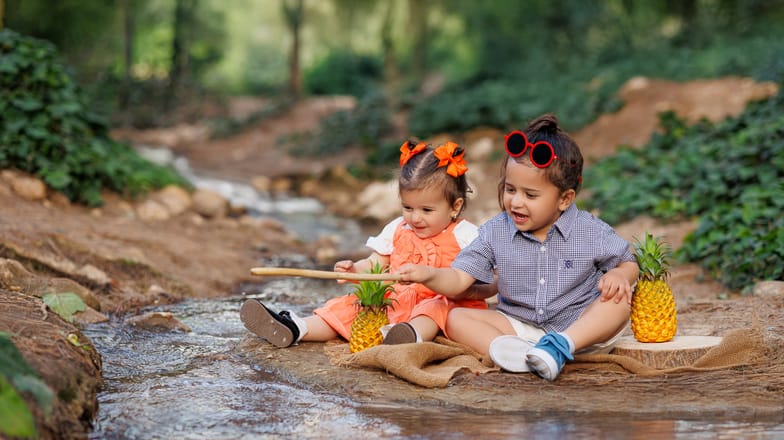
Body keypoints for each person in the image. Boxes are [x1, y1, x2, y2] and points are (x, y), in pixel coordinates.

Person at [396, 114, 639, 381]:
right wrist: (428, 274)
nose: (516, 202)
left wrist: (619, 275)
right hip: (519, 325)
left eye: (530, 195)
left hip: (581, 327)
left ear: (564, 199)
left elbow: (628, 262)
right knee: (454, 318)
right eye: (510, 190)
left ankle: (559, 347)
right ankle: (520, 355)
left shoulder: (588, 230)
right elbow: (458, 279)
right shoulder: (495, 231)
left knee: (618, 303)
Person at [240, 139, 492, 348]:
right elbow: (376, 265)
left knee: (434, 307)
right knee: (350, 305)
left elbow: (475, 280)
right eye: (408, 207)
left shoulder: (466, 235)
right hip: (396, 301)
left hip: (441, 303)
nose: (415, 217)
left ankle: (406, 337)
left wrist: (433, 277)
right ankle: (296, 328)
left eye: (426, 210)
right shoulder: (398, 228)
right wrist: (355, 270)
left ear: (454, 207)